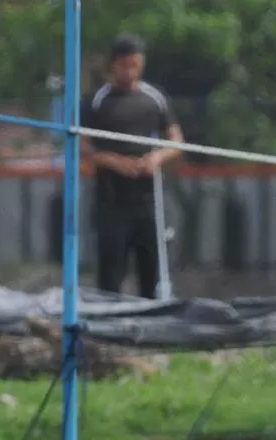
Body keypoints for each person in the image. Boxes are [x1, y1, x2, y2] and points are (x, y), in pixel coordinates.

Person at [81, 33, 184, 299]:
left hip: (150, 200)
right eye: (125, 65)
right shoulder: (97, 101)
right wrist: (115, 162)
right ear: (114, 65)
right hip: (112, 200)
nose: (130, 71)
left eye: (135, 65)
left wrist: (156, 158)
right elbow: (84, 148)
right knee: (111, 273)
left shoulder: (155, 99)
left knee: (153, 271)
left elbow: (176, 141)